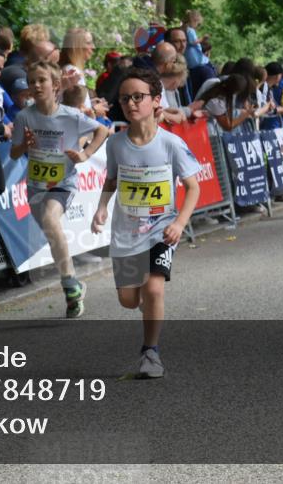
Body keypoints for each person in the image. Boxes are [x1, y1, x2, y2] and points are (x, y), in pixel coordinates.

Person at [91, 67, 200, 378]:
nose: (131, 103)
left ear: (155, 100)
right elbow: (112, 179)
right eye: (125, 98)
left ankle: (150, 354)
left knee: (153, 288)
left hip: (160, 230)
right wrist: (101, 207)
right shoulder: (115, 144)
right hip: (126, 232)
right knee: (128, 300)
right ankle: (149, 309)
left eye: (138, 97)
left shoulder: (171, 144)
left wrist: (179, 223)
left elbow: (193, 187)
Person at [11, 61, 110, 318]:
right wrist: (24, 145)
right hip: (35, 185)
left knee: (50, 219)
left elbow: (102, 130)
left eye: (41, 80)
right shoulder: (24, 117)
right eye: (32, 81)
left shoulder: (70, 115)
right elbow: (13, 154)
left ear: (55, 85)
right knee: (51, 232)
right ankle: (75, 282)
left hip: (63, 183)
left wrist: (85, 154)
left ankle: (69, 285)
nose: (35, 85)